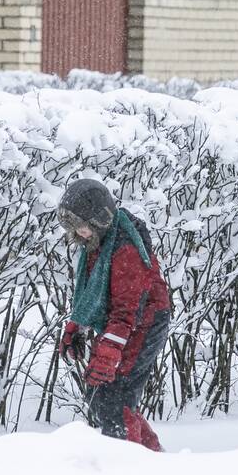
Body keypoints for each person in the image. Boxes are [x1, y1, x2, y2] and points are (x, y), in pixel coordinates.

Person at [55, 178, 171, 451]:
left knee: (115, 399)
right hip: (122, 324)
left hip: (144, 323)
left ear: (100, 218)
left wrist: (109, 353)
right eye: (74, 228)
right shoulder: (100, 242)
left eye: (81, 226)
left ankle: (129, 465)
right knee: (102, 396)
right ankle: (154, 457)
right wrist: (76, 327)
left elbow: (125, 309)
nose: (79, 234)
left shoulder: (124, 248)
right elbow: (93, 295)